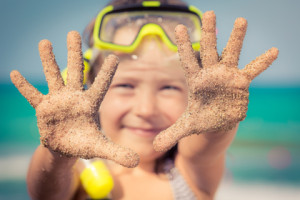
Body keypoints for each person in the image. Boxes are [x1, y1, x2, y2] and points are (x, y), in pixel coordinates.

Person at [10, 0, 278, 199]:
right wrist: (56, 154)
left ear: (196, 97)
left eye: (169, 88)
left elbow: (205, 148)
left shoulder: (190, 175)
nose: (146, 109)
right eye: (126, 85)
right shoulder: (77, 173)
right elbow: (45, 191)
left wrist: (217, 120)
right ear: (87, 89)